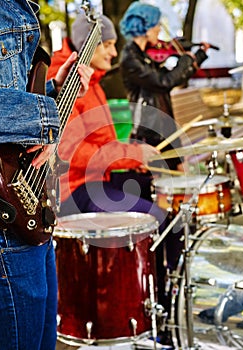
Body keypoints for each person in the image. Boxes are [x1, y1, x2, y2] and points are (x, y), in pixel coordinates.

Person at [47, 12, 176, 316]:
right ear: (87, 45)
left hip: (93, 179)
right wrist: (130, 156)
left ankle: (158, 298)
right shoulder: (66, 81)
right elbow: (67, 154)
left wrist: (135, 152)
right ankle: (143, 308)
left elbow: (100, 144)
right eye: (107, 44)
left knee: (159, 202)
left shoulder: (93, 80)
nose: (114, 53)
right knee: (152, 217)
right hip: (70, 190)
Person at [0, 2, 93, 349]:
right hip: (1, 228)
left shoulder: (21, 6)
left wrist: (54, 89)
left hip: (27, 215)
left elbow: (9, 96)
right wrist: (43, 120)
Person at [119, 1, 211, 172]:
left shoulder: (146, 54)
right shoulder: (131, 58)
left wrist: (197, 58)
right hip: (149, 132)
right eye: (157, 25)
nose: (160, 29)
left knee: (182, 180)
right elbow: (164, 82)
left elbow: (172, 79)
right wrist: (185, 61)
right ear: (146, 27)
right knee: (159, 190)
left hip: (166, 126)